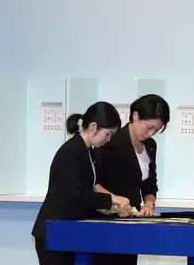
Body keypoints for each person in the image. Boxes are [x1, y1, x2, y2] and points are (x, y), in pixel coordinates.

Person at [31, 101, 129, 265]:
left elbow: (90, 186)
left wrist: (111, 206)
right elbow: (75, 195)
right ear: (93, 127)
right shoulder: (71, 152)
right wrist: (108, 200)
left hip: (68, 230)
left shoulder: (88, 151)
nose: (109, 139)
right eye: (108, 134)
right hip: (54, 232)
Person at [93, 94, 171, 265]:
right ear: (135, 116)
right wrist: (114, 200)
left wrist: (149, 205)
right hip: (107, 222)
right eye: (149, 127)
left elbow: (150, 184)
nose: (151, 133)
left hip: (131, 223)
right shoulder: (111, 141)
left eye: (156, 130)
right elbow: (94, 182)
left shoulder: (150, 145)